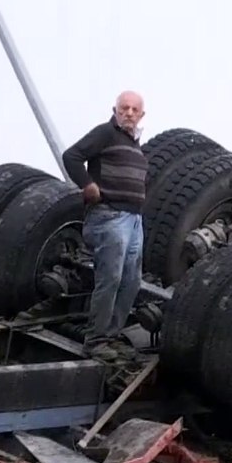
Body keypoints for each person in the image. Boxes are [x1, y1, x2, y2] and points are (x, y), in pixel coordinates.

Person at [61, 90, 148, 361]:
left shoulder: (135, 146)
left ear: (142, 115)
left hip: (133, 220)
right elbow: (71, 156)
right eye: (124, 108)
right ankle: (96, 341)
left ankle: (110, 336)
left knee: (131, 282)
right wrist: (88, 185)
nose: (129, 113)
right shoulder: (105, 133)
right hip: (109, 216)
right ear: (115, 110)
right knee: (110, 278)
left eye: (135, 109)